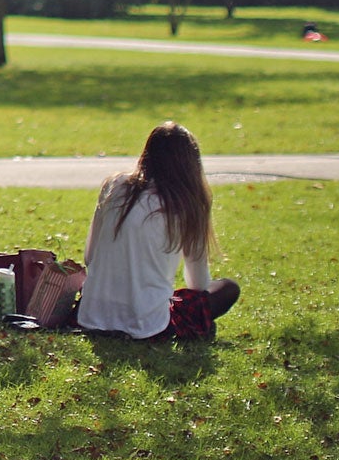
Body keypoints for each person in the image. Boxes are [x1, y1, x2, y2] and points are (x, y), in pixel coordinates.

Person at [75, 121, 240, 339]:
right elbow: (198, 284)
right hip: (146, 324)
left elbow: (90, 257)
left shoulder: (114, 185)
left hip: (92, 315)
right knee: (228, 288)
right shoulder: (188, 204)